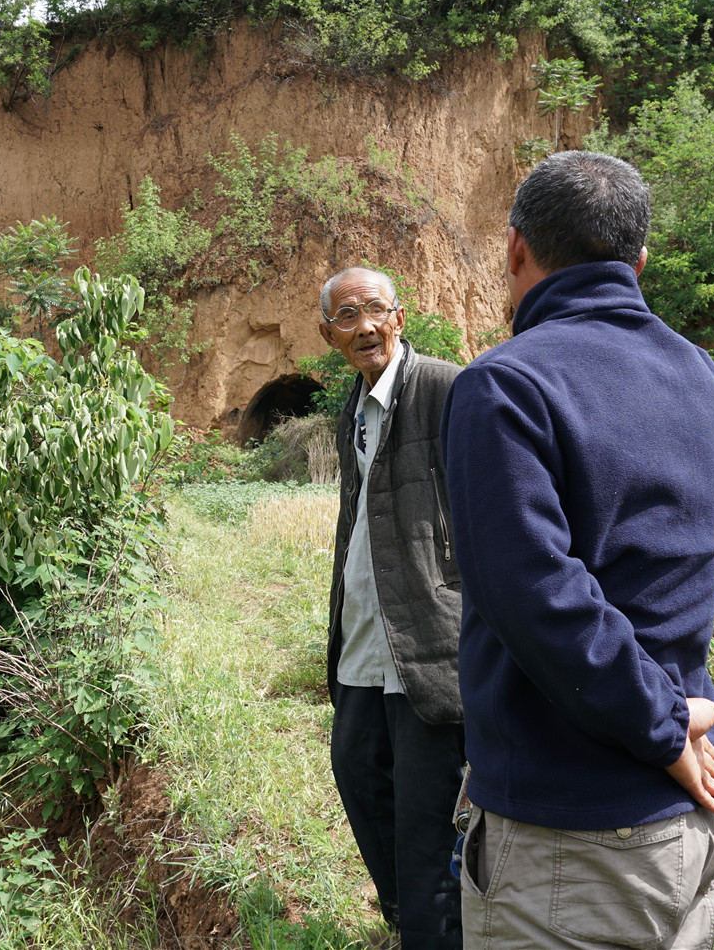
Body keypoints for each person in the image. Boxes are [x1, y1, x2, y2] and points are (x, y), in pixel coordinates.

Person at [439, 151, 714, 950]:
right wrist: (673, 729)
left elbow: (539, 595)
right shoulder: (701, 375)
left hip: (572, 846)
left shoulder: (505, 384)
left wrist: (659, 724)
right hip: (693, 813)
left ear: (515, 249)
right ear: (639, 263)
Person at [319, 266, 467, 950]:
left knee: (424, 819)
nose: (365, 326)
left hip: (427, 641)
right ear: (329, 335)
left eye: (375, 309)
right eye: (347, 316)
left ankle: (437, 933)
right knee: (358, 775)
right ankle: (410, 922)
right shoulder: (352, 405)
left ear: (400, 317)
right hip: (362, 643)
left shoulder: (443, 386)